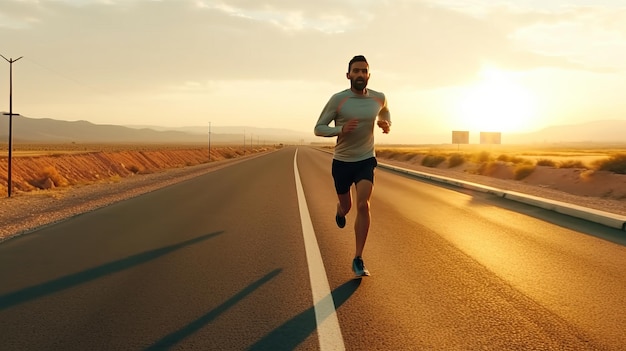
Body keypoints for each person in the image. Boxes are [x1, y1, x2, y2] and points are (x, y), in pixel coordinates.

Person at [314, 55, 391, 277]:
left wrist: (386, 125)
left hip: (366, 159)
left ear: (369, 75)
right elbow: (319, 128)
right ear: (348, 75)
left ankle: (358, 258)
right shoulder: (338, 100)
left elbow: (385, 114)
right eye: (355, 71)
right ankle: (339, 210)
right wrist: (341, 129)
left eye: (363, 71)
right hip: (342, 162)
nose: (359, 75)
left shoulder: (379, 98)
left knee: (363, 205)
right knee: (347, 206)